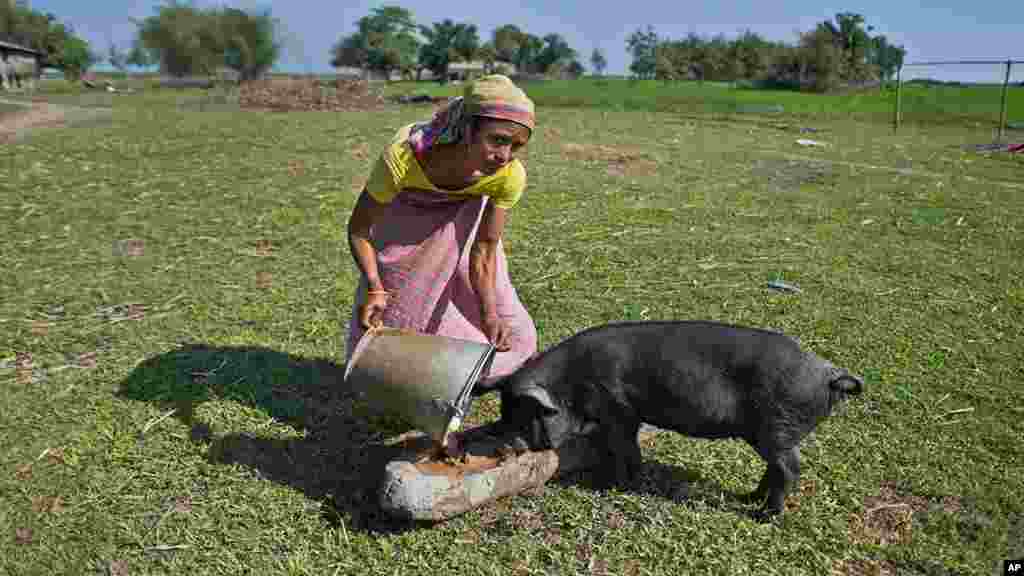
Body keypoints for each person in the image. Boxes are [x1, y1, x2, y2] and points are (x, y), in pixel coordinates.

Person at [345, 74, 538, 385]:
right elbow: (359, 228)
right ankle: (400, 377)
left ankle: (460, 374)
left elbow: (485, 249)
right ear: (466, 128)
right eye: (497, 139)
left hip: (465, 222)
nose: (504, 155)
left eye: (516, 146)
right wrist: (374, 285)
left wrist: (489, 313)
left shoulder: (509, 174)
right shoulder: (405, 155)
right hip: (407, 221)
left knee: (512, 327)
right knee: (400, 313)